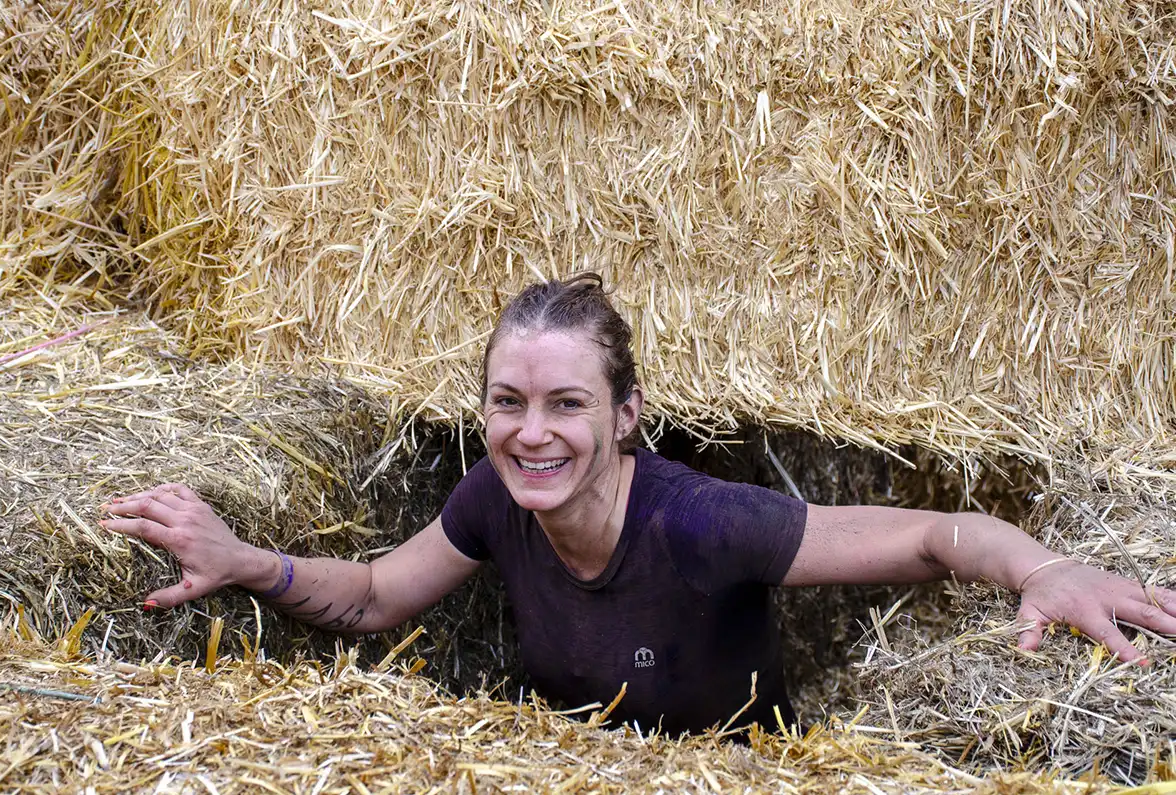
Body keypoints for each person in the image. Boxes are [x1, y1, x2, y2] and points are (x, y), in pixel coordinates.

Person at [101, 274, 1176, 736]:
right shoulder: (494, 499)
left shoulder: (703, 523)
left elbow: (937, 536)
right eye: (508, 402)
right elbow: (379, 594)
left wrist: (1043, 570)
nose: (532, 432)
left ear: (625, 416)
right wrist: (247, 562)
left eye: (566, 403)